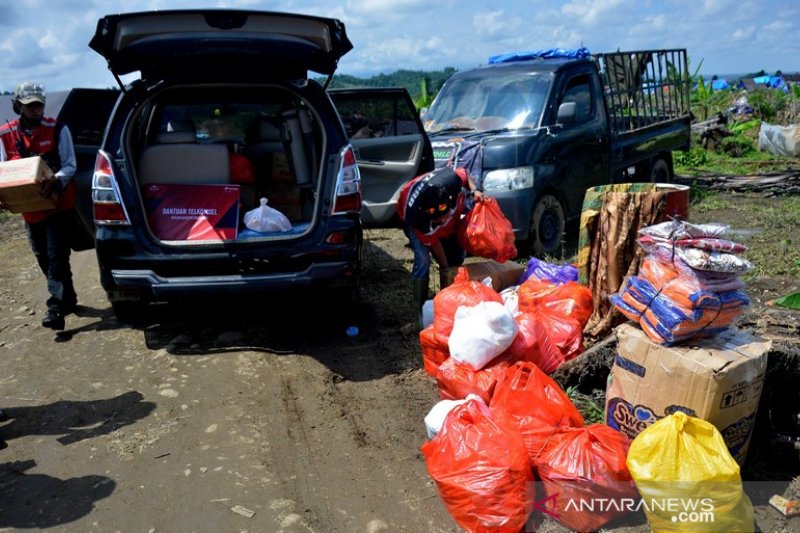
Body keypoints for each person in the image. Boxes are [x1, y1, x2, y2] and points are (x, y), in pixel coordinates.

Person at [0, 82, 78, 331]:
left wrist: (56, 179)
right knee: (42, 256)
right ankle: (69, 297)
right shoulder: (5, 135)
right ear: (18, 106)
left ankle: (55, 307)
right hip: (29, 209)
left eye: (39, 105)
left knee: (57, 256)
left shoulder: (57, 128)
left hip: (57, 205)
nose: (36, 110)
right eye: (30, 106)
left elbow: (70, 164)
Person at [396, 166, 483, 329]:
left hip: (440, 196)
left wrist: (474, 191)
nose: (442, 221)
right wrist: (446, 270)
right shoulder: (418, 218)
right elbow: (434, 245)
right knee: (423, 260)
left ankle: (448, 299)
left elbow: (464, 175)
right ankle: (419, 314)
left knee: (457, 257)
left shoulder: (450, 181)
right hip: (408, 215)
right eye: (438, 220)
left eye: (444, 215)